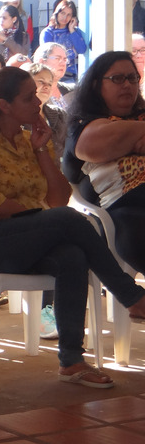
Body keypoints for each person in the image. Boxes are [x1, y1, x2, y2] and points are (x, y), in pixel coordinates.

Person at [0, 66, 145, 388]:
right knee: (67, 220)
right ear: (4, 106)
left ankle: (71, 360)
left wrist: (42, 150)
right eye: (28, 98)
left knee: (72, 256)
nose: (37, 104)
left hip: (27, 238)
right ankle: (129, 294)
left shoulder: (32, 140)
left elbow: (58, 199)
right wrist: (40, 218)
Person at [64, 51, 145, 277]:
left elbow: (116, 139)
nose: (127, 85)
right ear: (96, 84)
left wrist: (126, 135)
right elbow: (96, 144)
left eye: (132, 78)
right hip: (123, 207)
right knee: (132, 228)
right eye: (117, 79)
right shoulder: (81, 123)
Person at [39, 0, 86, 83]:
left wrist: (72, 30)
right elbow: (47, 55)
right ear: (57, 13)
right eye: (62, 13)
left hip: (70, 76)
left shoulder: (75, 31)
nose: (65, 18)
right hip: (51, 75)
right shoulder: (48, 32)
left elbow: (82, 49)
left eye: (69, 15)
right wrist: (72, 53)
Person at [32, 42, 74, 110]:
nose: (63, 64)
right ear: (42, 61)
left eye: (65, 59)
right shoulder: (32, 93)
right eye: (57, 58)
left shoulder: (71, 91)